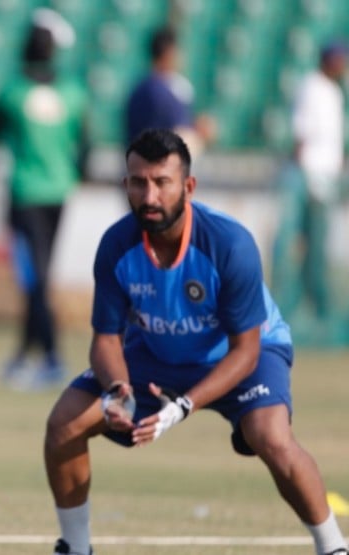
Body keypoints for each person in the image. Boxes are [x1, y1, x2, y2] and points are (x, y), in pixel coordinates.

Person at [43, 129, 348, 555]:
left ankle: (333, 547)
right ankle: (75, 548)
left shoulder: (229, 244)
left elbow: (247, 350)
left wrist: (183, 405)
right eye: (137, 181)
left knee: (270, 437)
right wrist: (118, 391)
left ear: (188, 186)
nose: (148, 196)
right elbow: (107, 339)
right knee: (64, 424)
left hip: (242, 353)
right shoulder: (116, 245)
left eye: (161, 182)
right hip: (158, 353)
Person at [0, 8, 87, 390]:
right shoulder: (73, 92)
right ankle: (25, 355)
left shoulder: (12, 92)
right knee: (38, 278)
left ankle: (52, 357)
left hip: (24, 194)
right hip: (59, 192)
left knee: (35, 278)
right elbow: (85, 145)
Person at [271, 41, 346, 335]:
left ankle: (318, 311)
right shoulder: (312, 86)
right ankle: (286, 309)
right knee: (294, 245)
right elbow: (302, 132)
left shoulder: (335, 91)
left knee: (317, 249)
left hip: (326, 180)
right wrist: (302, 173)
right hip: (307, 176)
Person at [124, 27, 216, 154]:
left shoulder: (164, 86)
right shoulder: (154, 91)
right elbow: (171, 138)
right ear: (169, 52)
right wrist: (198, 135)